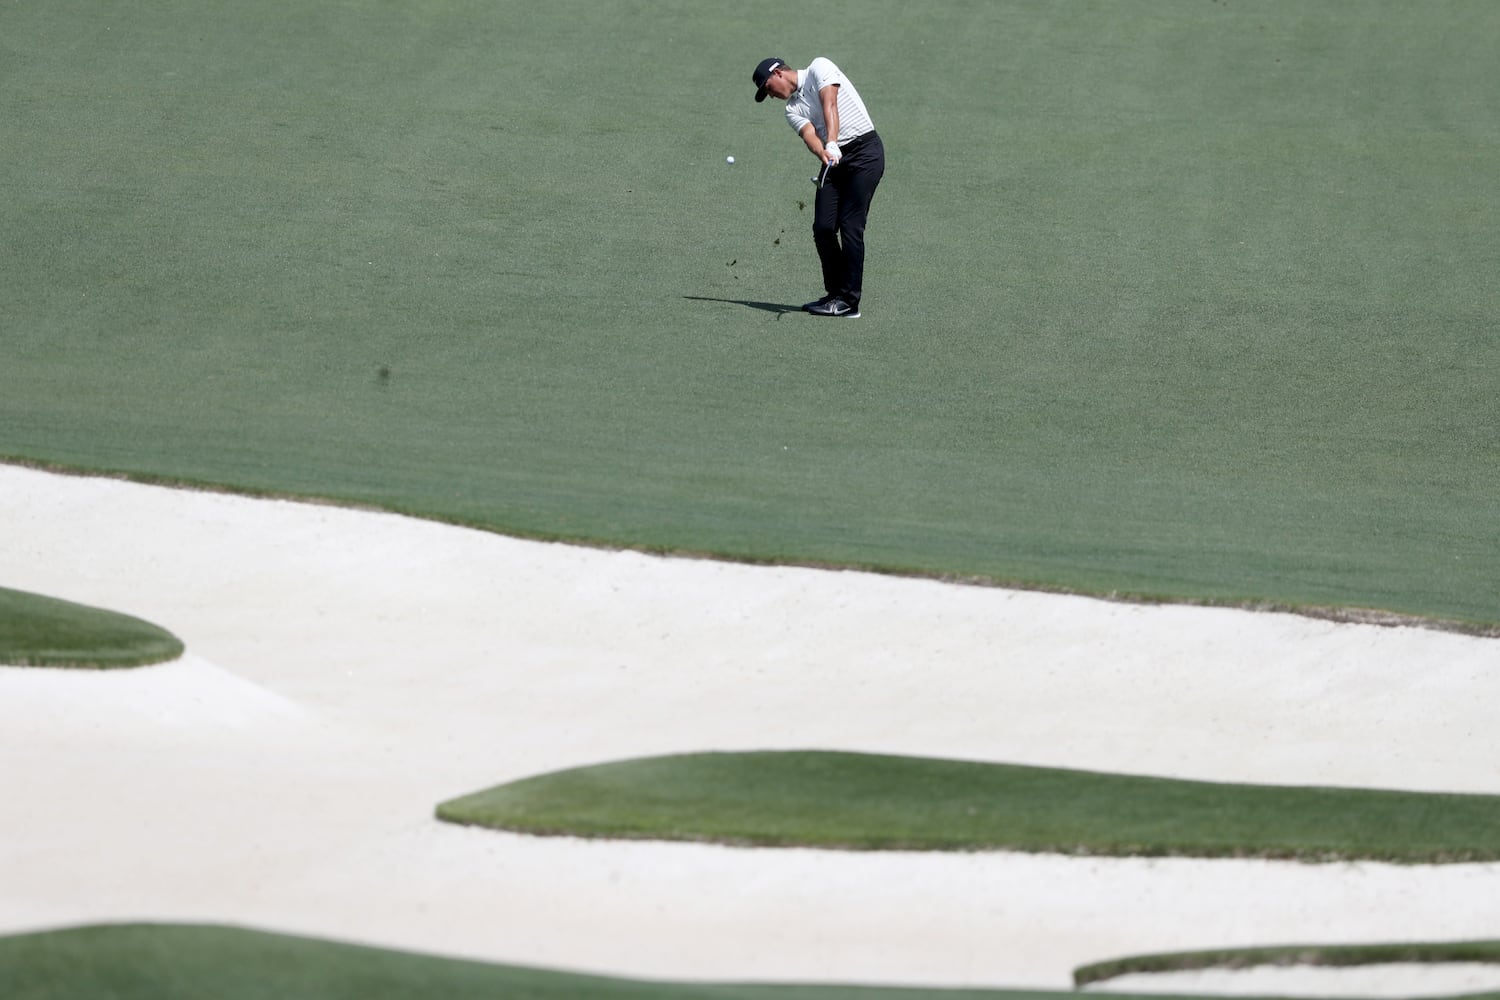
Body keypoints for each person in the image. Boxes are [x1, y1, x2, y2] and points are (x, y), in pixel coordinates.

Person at [752, 56, 885, 318]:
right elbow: (810, 136)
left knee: (850, 226)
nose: (771, 96)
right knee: (823, 228)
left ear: (778, 73)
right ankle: (835, 294)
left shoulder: (819, 68)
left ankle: (849, 301)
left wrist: (832, 141)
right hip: (833, 160)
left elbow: (830, 104)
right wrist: (824, 153)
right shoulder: (792, 109)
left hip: (864, 153)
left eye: (768, 88)